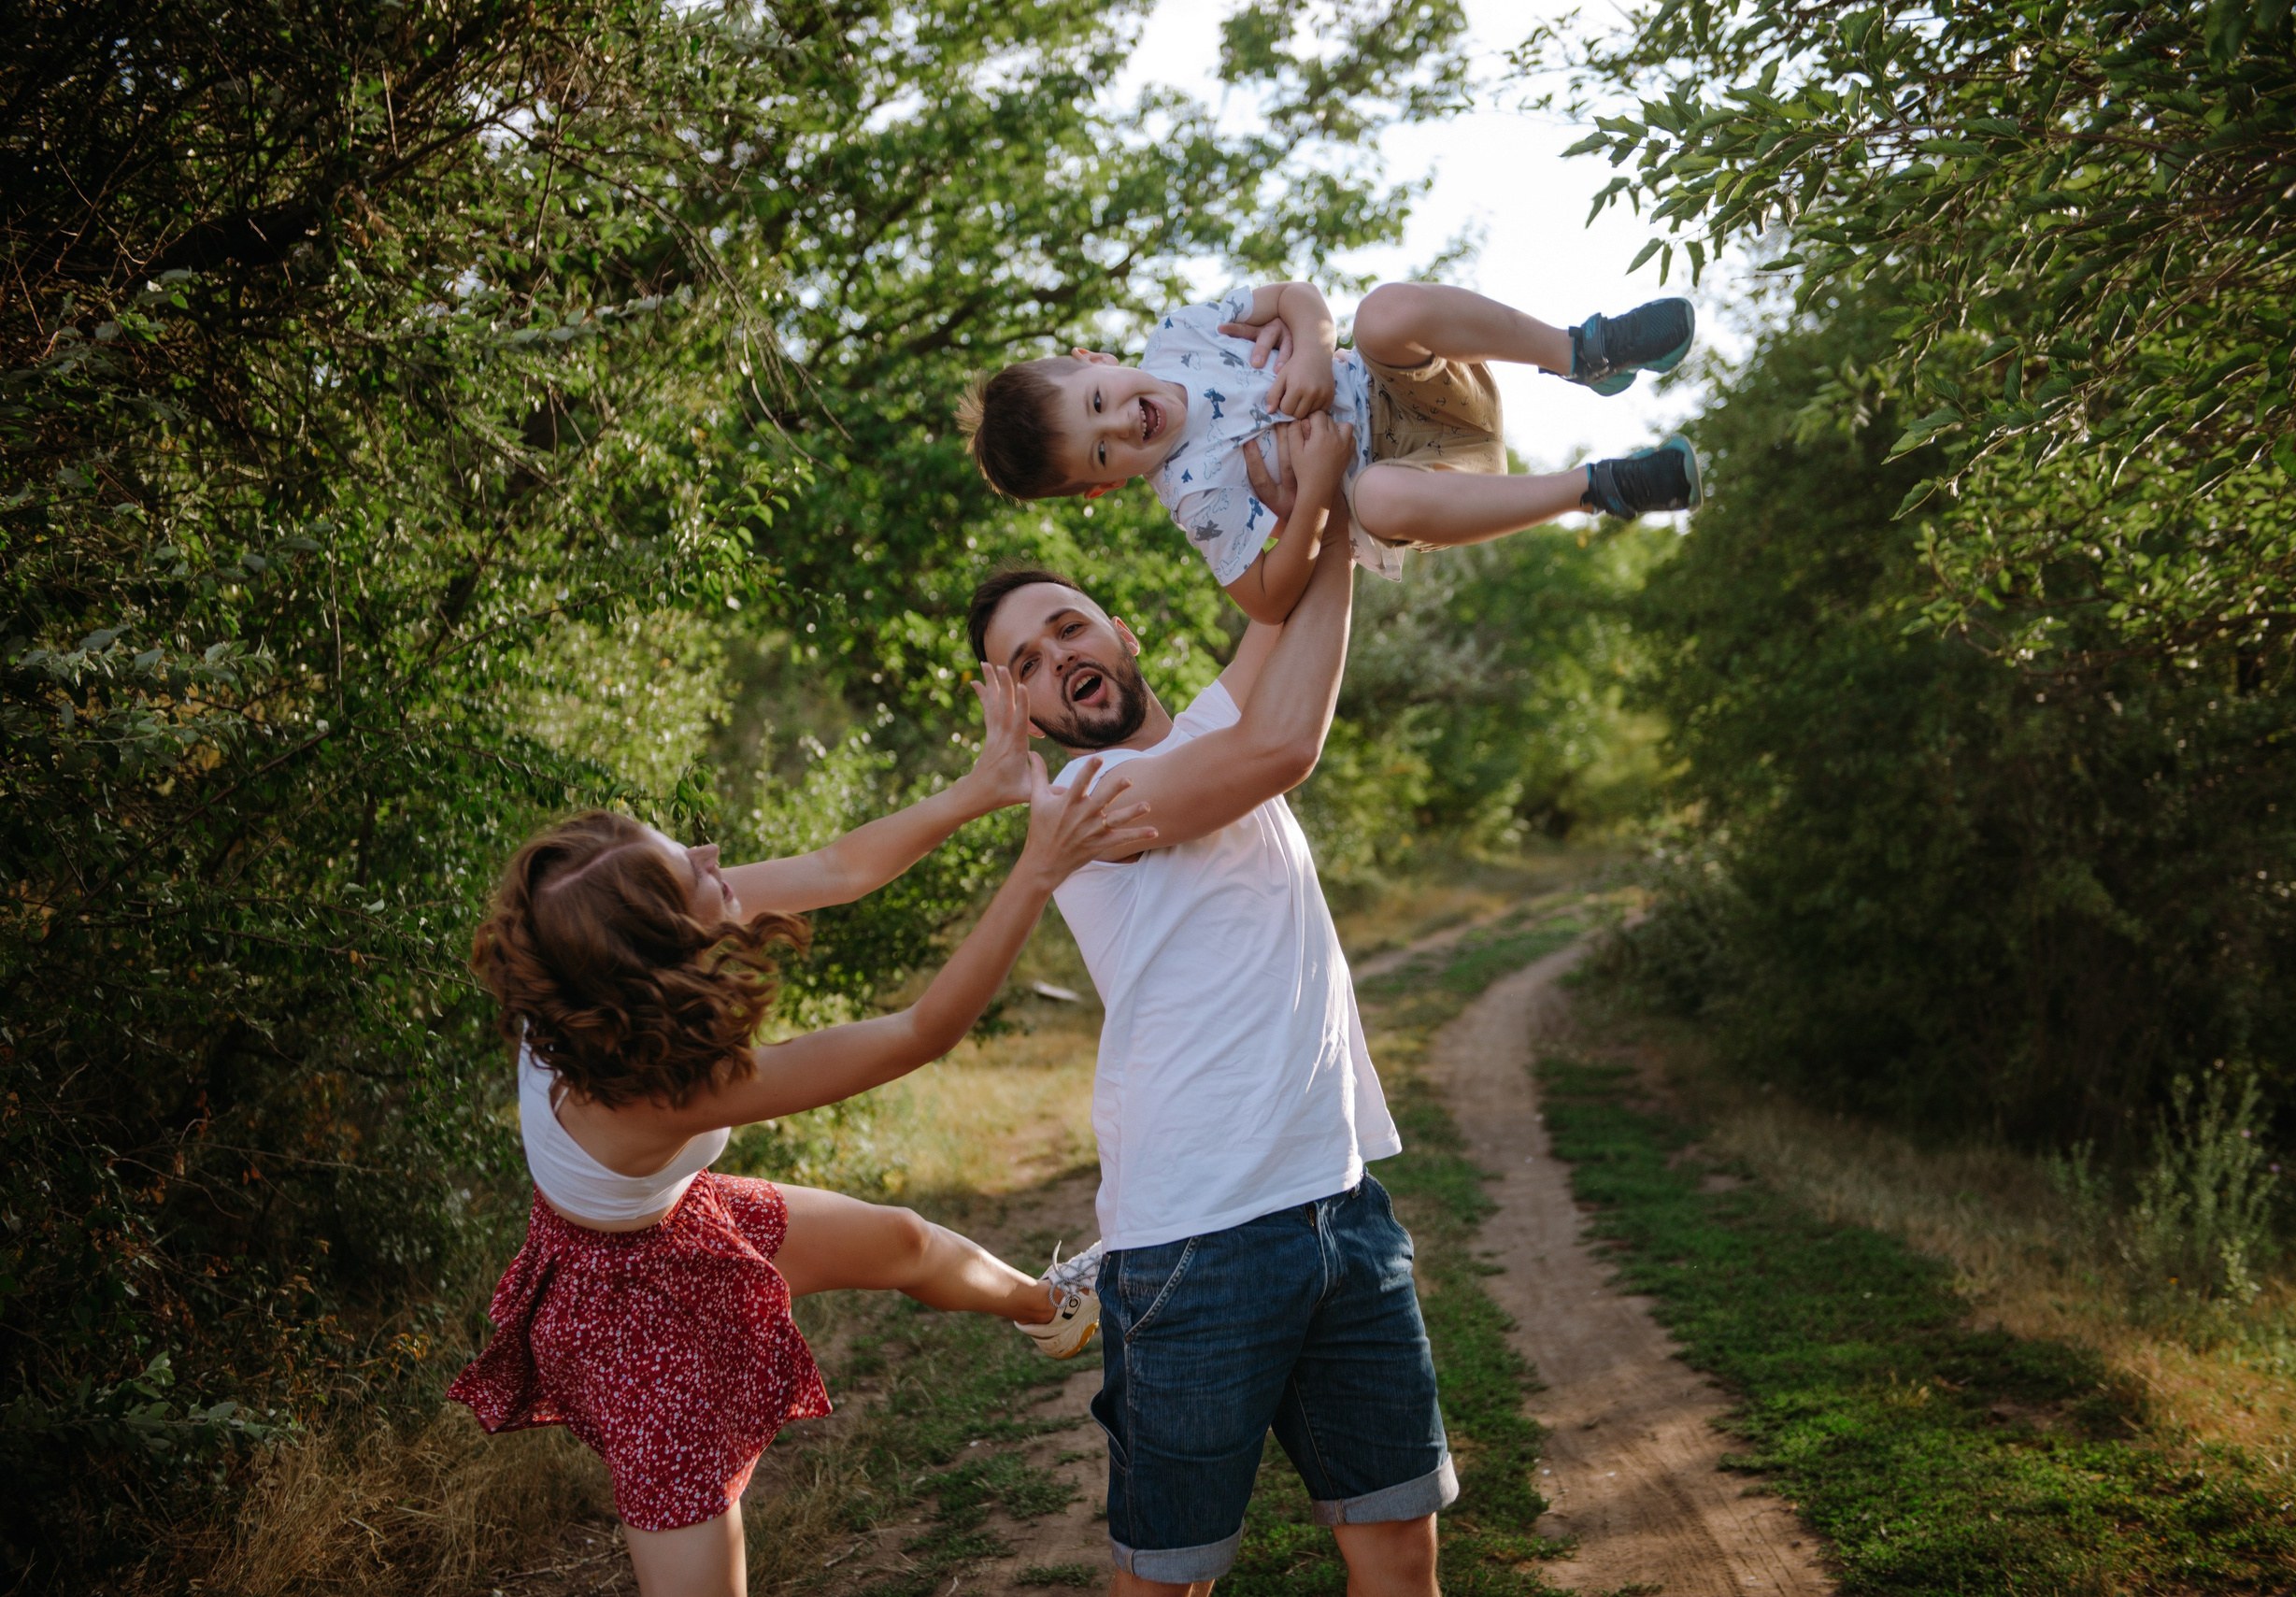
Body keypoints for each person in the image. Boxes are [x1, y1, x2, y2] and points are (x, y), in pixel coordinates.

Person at [448, 664, 1154, 1597]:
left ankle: (1049, 1309)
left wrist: (980, 787)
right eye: (689, 866)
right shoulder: (650, 1086)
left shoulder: (592, 956)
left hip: (675, 1212)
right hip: (625, 1311)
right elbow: (918, 1032)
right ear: (655, 943)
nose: (710, 854)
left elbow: (837, 869)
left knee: (903, 1238)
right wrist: (1038, 868)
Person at [967, 444, 1444, 1597]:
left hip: (1341, 1207)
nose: (1059, 659)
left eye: (1070, 628)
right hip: (1196, 1242)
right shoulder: (1083, 804)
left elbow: (1285, 608)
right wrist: (1333, 490)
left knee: (1399, 1559)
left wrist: (1321, 511)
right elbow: (1284, 746)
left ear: (1121, 632)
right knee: (1170, 1579)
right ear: (1021, 708)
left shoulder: (1208, 727)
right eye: (1025, 662)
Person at [957, 279, 1704, 624]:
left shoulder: (1180, 335)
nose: (1121, 425)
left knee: (1380, 313)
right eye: (1100, 453)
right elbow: (1266, 599)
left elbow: (1296, 297)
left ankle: (1582, 351)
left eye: (1097, 401)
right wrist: (1316, 492)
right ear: (1103, 489)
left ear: (1094, 356)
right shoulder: (1193, 496)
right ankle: (1602, 487)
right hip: (1433, 479)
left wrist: (1313, 349)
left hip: (1425, 386)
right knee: (1374, 500)